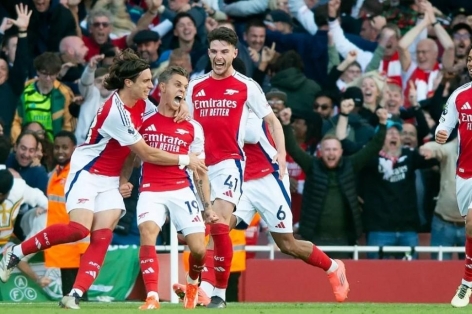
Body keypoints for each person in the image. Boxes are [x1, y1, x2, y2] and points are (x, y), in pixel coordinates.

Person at [0, 49, 207, 310]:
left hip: (110, 179)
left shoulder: (142, 105)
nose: (150, 85)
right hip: (87, 172)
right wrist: (185, 159)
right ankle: (16, 253)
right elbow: (144, 152)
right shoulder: (115, 111)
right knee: (79, 229)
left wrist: (181, 104)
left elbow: (161, 114)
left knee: (102, 236)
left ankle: (74, 294)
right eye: (145, 81)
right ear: (128, 83)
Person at [185, 27, 286, 308]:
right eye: (214, 51)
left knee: (218, 226)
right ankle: (195, 285)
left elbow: (273, 121)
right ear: (208, 53)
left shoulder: (246, 85)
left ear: (234, 53)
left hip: (230, 163)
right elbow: (185, 124)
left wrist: (281, 153)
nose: (219, 57)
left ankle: (219, 293)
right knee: (196, 231)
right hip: (200, 165)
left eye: (224, 52)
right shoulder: (195, 86)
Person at [129, 65, 218, 310]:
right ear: (163, 87)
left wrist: (207, 206)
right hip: (150, 188)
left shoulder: (193, 127)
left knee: (199, 249)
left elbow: (199, 169)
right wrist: (123, 179)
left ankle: (192, 286)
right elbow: (131, 153)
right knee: (147, 232)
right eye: (178, 85)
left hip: (181, 189)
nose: (183, 90)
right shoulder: (143, 118)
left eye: (186, 87)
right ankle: (152, 297)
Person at [436, 46, 472, 308]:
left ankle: (467, 283)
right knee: (471, 227)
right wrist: (440, 133)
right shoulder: (459, 95)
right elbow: (445, 125)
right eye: (470, 59)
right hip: (466, 173)